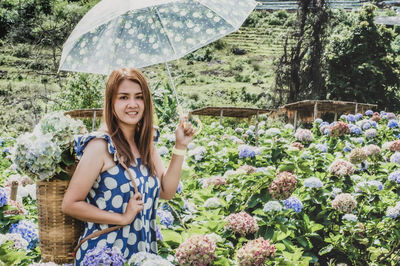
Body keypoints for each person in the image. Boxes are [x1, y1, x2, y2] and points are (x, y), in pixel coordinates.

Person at [62, 67, 195, 264]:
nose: (132, 104)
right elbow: (70, 204)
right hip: (104, 255)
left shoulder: (146, 144)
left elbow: (167, 192)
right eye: (123, 97)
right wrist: (122, 218)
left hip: (142, 253)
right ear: (111, 102)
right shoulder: (100, 146)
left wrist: (180, 146)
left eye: (139, 97)